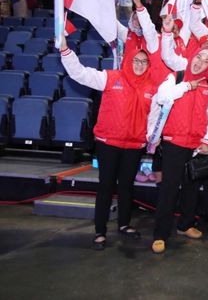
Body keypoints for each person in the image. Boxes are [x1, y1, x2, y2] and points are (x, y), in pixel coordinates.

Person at [60, 35, 155, 250]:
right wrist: (66, 51)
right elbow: (80, 74)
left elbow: (155, 117)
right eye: (136, 60)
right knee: (105, 186)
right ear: (128, 61)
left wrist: (152, 138)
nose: (139, 65)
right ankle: (100, 232)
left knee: (127, 187)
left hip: (134, 146)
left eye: (144, 61)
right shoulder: (111, 78)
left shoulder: (152, 87)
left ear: (149, 64)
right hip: (108, 143)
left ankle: (123, 225)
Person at [150, 48, 208, 254]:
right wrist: (187, 86)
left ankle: (185, 225)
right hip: (174, 143)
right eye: (199, 57)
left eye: (206, 61)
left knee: (191, 189)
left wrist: (207, 140)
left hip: (196, 146)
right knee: (168, 190)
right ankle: (160, 234)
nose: (200, 62)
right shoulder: (176, 77)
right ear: (191, 57)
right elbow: (161, 97)